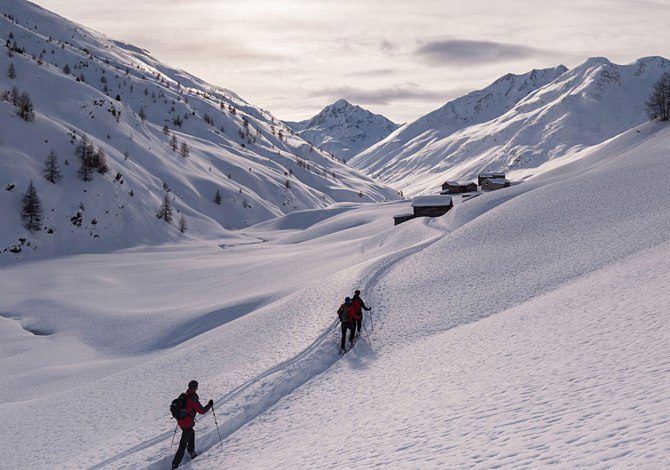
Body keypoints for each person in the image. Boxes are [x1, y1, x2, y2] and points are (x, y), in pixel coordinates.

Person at [172, 380, 213, 469]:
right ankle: (175, 465)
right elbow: (201, 411)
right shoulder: (192, 398)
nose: (197, 388)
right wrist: (209, 405)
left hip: (181, 422)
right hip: (187, 423)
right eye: (196, 387)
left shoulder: (184, 395)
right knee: (182, 444)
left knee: (191, 433)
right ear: (195, 387)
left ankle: (191, 452)